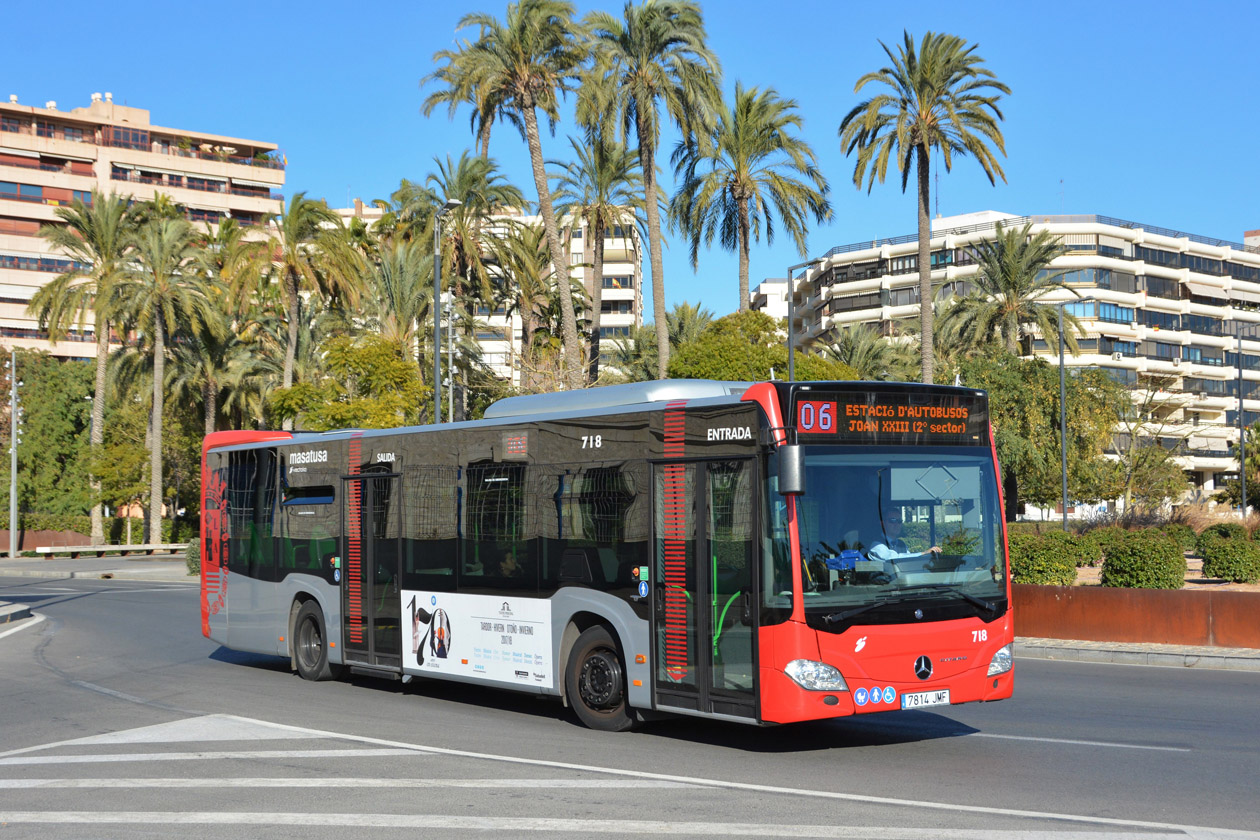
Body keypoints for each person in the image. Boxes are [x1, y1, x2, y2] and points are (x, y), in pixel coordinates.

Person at [867, 509, 941, 576]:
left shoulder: (901, 544)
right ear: (882, 523)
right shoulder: (876, 545)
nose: (897, 524)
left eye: (899, 521)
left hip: (903, 586)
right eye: (892, 520)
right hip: (884, 587)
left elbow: (909, 563)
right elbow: (894, 559)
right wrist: (923, 553)